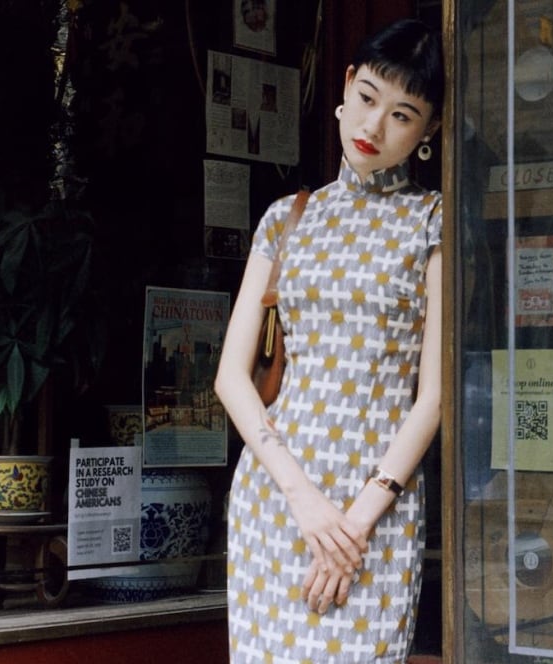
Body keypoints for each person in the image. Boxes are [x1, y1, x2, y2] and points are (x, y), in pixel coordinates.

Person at [214, 18, 443, 662]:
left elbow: (432, 398)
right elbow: (231, 377)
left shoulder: (434, 222)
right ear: (346, 87)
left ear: (430, 130)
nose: (373, 127)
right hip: (278, 498)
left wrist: (355, 524)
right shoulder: (287, 218)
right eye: (368, 98)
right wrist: (304, 500)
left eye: (403, 114)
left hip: (377, 508)